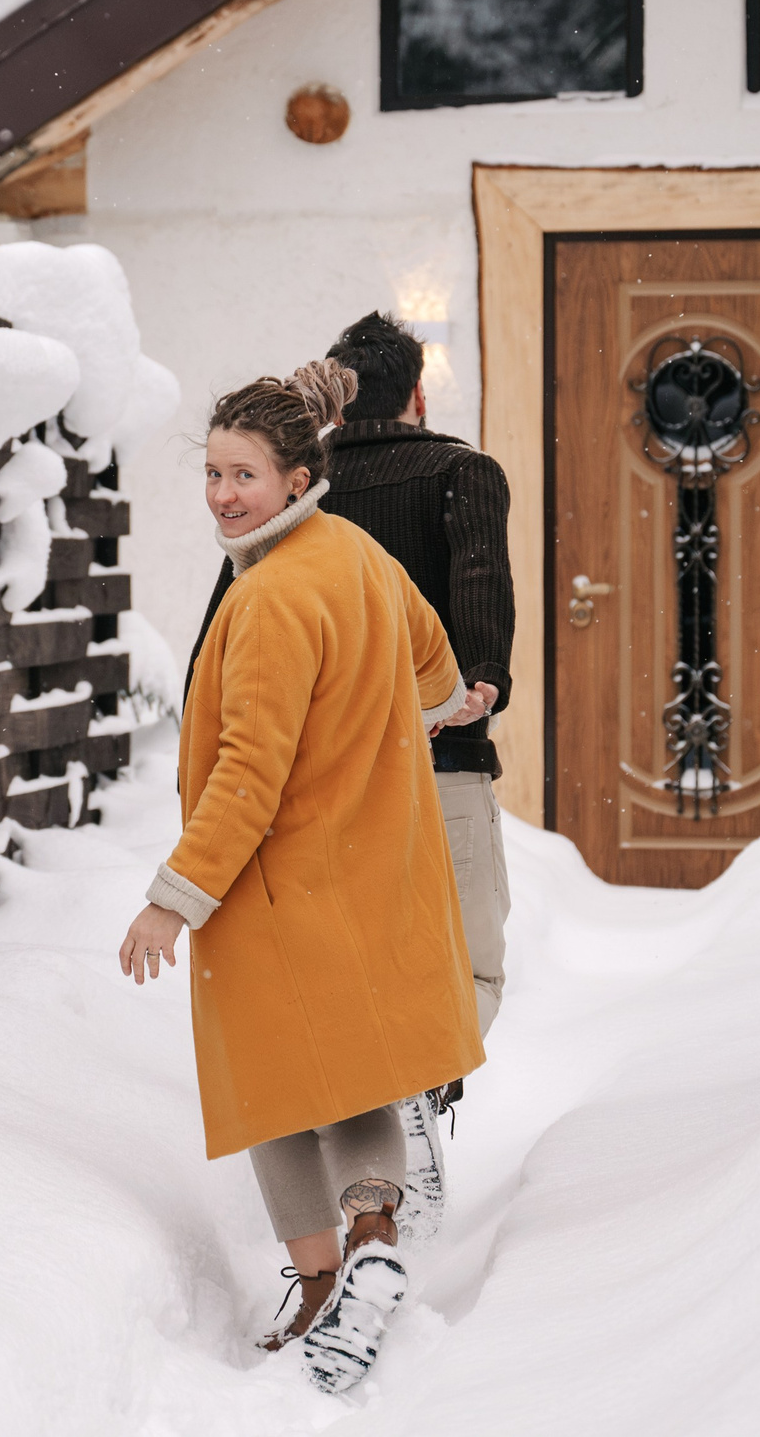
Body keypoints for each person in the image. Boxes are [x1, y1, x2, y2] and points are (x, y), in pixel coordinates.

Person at [118, 360, 482, 1394]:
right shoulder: (356, 553)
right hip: (369, 868)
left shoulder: (272, 596)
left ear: (296, 477)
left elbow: (249, 773)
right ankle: (373, 1236)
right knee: (354, 1080)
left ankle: (322, 1286)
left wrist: (172, 898)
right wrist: (425, 711)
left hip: (278, 885)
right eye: (212, 472)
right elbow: (435, 661)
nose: (223, 494)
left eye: (244, 474)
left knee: (273, 1091)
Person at [185, 313, 516, 1231]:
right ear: (418, 392)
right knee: (463, 969)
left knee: (328, 983)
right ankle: (412, 1088)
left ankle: (365, 1134)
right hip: (433, 774)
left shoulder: (289, 511)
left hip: (303, 803)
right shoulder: (460, 475)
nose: (225, 490)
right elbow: (474, 624)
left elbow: (217, 651)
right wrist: (460, 696)